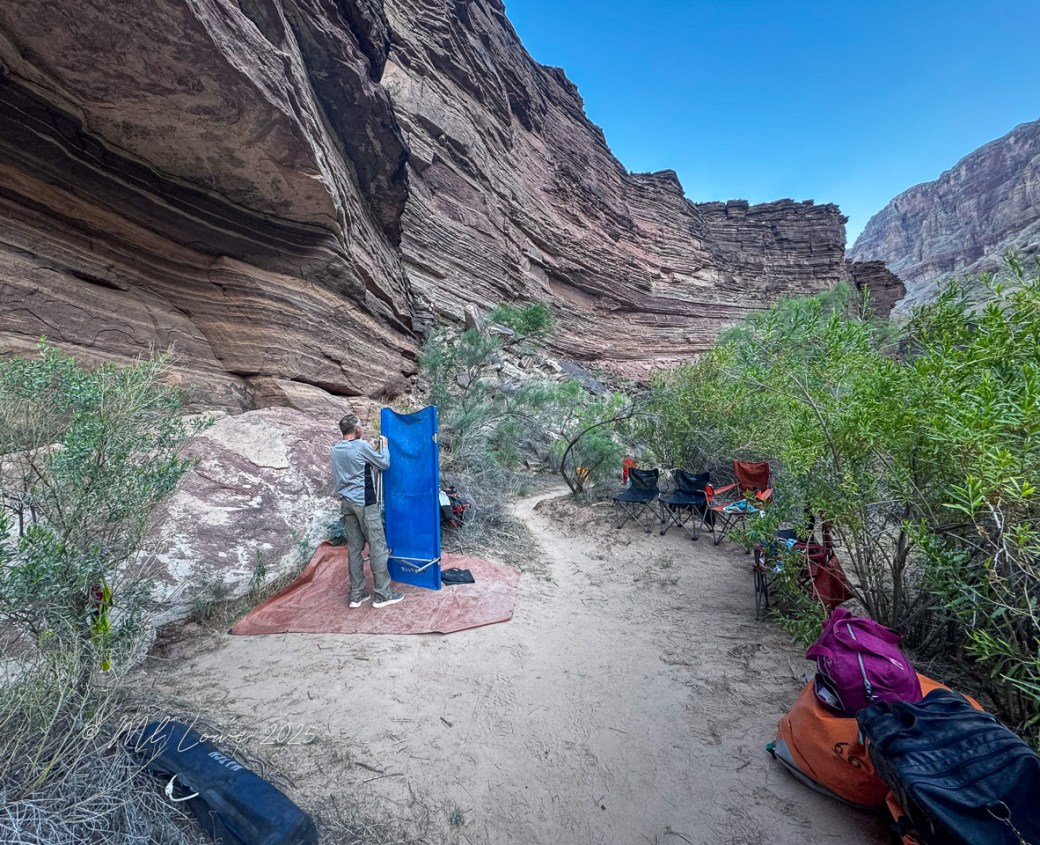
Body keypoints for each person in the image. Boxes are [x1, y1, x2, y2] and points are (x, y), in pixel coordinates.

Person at [331, 413, 404, 609]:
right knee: (378, 546)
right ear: (357, 430)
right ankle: (383, 595)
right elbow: (383, 464)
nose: (362, 428)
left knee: (354, 549)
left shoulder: (336, 449)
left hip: (346, 503)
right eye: (361, 426)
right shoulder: (361, 446)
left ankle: (356, 595)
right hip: (364, 503)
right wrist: (385, 447)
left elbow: (356, 461)